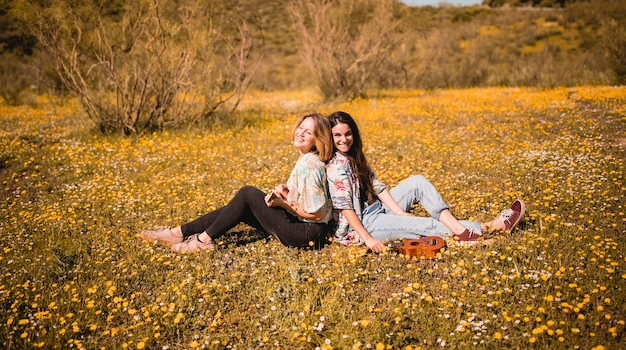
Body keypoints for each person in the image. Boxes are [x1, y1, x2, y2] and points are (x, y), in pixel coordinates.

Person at [326, 111, 525, 253]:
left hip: (376, 209)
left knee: (417, 181)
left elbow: (376, 185)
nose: (344, 139)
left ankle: (459, 229)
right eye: (337, 135)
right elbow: (345, 209)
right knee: (425, 225)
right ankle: (490, 227)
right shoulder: (336, 167)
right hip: (365, 224)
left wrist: (399, 212)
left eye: (348, 133)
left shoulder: (354, 156)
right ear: (329, 137)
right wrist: (368, 239)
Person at [139, 113, 334, 253]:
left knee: (247, 193)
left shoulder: (310, 165)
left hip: (306, 234)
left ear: (318, 139)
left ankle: (202, 240)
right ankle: (178, 233)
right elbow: (306, 198)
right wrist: (286, 193)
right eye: (301, 127)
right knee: (239, 206)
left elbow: (316, 214)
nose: (301, 133)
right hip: (300, 227)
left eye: (308, 132)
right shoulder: (307, 159)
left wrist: (283, 204)